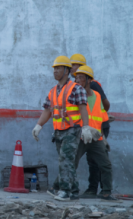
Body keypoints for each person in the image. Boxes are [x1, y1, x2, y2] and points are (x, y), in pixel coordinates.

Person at [32, 56, 91, 202]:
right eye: (54, 68)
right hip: (59, 131)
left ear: (67, 71)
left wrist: (86, 127)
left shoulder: (76, 88)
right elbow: (47, 111)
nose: (55, 71)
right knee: (68, 161)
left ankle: (64, 190)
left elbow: (83, 109)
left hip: (73, 129)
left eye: (58, 68)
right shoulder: (52, 92)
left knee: (65, 160)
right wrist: (38, 125)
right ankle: (74, 191)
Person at [72, 66, 115, 200]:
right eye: (76, 77)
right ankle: (71, 190)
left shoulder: (96, 96)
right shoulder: (73, 95)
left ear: (89, 80)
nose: (77, 80)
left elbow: (100, 118)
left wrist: (104, 138)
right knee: (71, 163)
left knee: (105, 164)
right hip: (80, 136)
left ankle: (106, 192)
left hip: (96, 137)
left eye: (80, 77)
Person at [70, 54, 110, 138]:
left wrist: (99, 115)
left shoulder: (93, 85)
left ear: (81, 66)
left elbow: (105, 105)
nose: (71, 67)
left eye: (73, 65)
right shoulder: (74, 86)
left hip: (99, 126)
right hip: (83, 128)